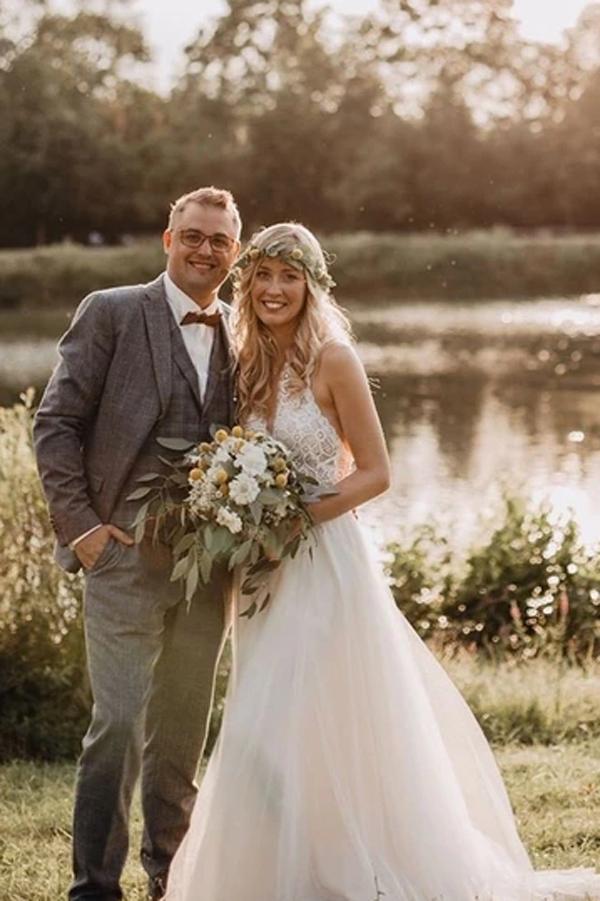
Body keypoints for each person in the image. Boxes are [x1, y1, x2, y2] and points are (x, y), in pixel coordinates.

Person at [163, 222, 600, 901]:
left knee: (322, 709)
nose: (275, 289)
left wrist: (293, 519)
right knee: (262, 714)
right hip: (262, 571)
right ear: (245, 285)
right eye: (264, 277)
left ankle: (357, 864)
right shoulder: (244, 362)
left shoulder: (333, 359)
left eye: (289, 276)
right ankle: (274, 870)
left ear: (311, 285)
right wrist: (242, 518)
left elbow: (376, 472)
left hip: (325, 562)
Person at [33, 187, 241, 901]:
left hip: (207, 568)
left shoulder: (245, 329)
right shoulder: (113, 310)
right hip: (120, 555)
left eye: (218, 239)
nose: (204, 248)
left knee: (181, 734)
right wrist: (85, 530)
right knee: (117, 723)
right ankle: (94, 886)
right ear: (167, 239)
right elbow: (55, 425)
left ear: (234, 251)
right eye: (192, 235)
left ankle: (169, 878)